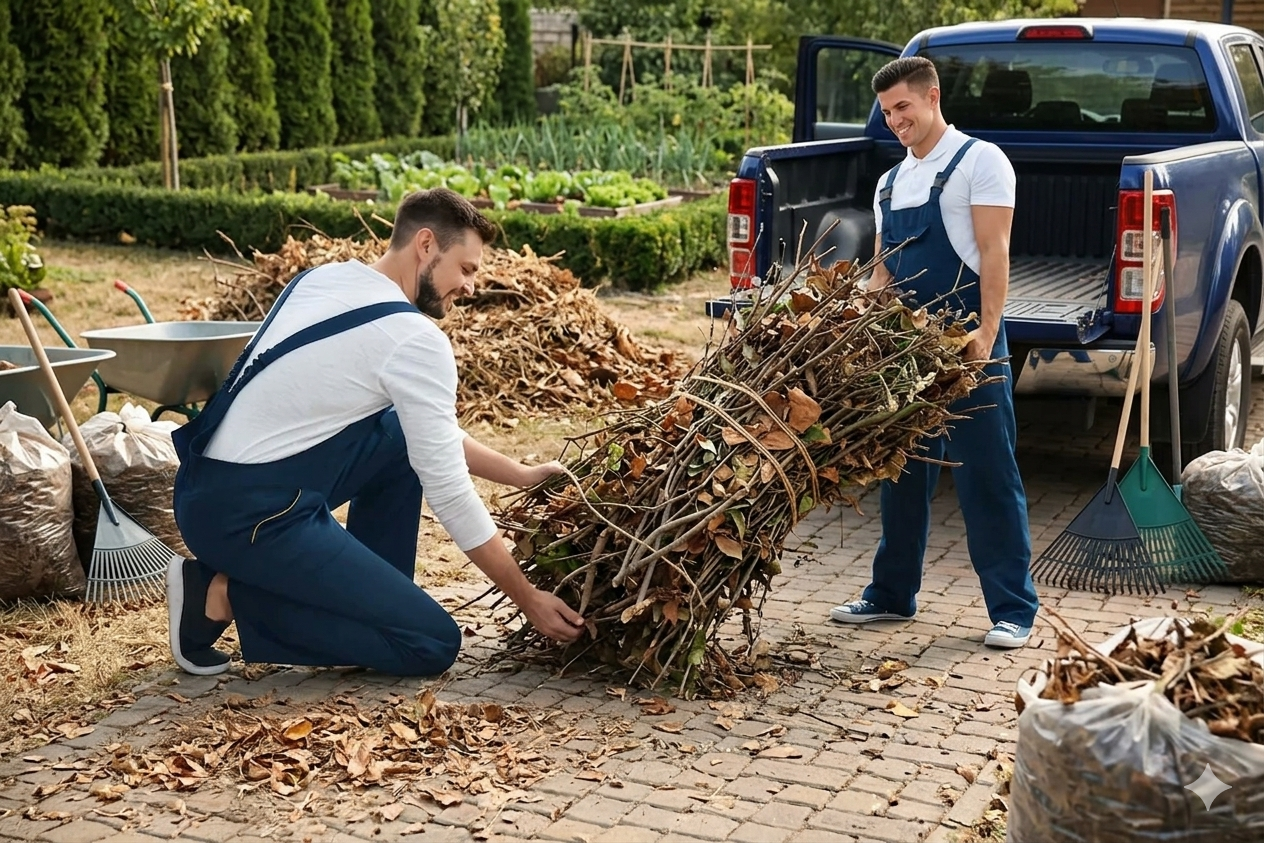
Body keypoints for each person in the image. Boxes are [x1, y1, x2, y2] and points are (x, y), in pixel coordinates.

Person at [166, 187, 586, 676]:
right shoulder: (414, 339)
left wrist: (520, 474)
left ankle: (374, 600)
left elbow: (429, 438)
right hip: (254, 519)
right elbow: (449, 490)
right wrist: (527, 597)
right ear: (426, 245)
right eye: (466, 269)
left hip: (206, 491)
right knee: (429, 643)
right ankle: (217, 596)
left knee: (398, 435)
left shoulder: (323, 279)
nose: (470, 286)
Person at [828, 57, 1040, 649]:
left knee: (987, 473)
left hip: (969, 335)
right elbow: (884, 270)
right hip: (907, 346)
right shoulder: (890, 182)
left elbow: (995, 253)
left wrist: (986, 334)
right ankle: (892, 594)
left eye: (904, 107)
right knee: (902, 471)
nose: (897, 120)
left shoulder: (981, 161)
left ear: (931, 97)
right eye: (888, 112)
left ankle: (1013, 608)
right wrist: (859, 329)